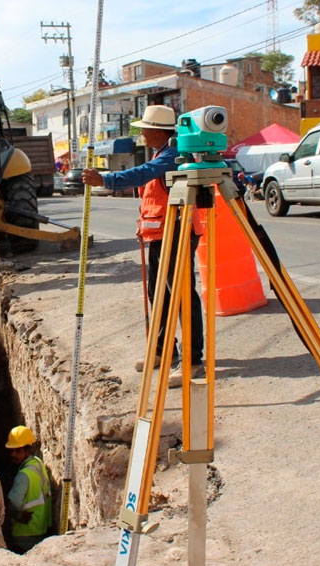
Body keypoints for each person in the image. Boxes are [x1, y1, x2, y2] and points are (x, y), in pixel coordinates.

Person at [82, 105, 204, 380]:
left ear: (158, 131)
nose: (142, 135)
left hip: (178, 232)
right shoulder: (162, 153)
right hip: (160, 233)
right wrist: (142, 226)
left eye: (145, 130)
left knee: (181, 295)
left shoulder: (173, 156)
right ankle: (164, 350)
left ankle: (193, 359)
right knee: (159, 295)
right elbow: (152, 197)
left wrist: (106, 179)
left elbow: (143, 173)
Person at [4, 425, 52, 554]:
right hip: (41, 528)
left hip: (24, 533)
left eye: (17, 450)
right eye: (11, 450)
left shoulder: (23, 475)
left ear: (27, 450)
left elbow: (14, 502)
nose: (13, 454)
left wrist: (17, 515)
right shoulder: (38, 464)